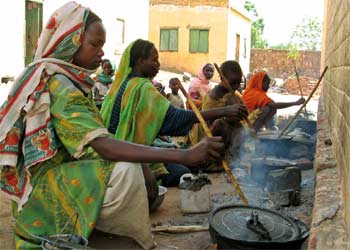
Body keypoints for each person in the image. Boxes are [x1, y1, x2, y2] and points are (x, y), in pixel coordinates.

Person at [0, 3, 226, 249]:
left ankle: (103, 232)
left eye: (102, 45)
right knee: (127, 172)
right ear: (70, 42)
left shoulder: (70, 81)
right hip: (46, 189)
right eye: (94, 44)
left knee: (138, 168)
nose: (101, 53)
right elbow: (104, 146)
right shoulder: (61, 86)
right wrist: (185, 154)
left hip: (59, 176)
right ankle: (110, 237)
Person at [100, 39, 248, 180]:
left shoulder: (125, 83)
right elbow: (174, 119)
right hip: (126, 151)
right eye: (154, 60)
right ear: (140, 61)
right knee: (181, 172)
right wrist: (223, 111)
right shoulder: (142, 87)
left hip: (118, 145)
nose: (158, 64)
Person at [187, 60, 245, 171]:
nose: (236, 86)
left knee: (242, 129)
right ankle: (211, 161)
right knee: (220, 124)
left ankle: (230, 156)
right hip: (206, 136)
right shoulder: (212, 97)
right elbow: (208, 126)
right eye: (233, 83)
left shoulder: (235, 95)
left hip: (224, 139)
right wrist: (227, 116)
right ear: (222, 79)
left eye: (239, 83)